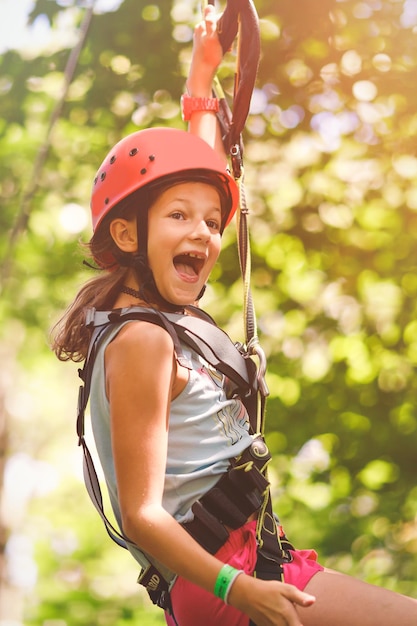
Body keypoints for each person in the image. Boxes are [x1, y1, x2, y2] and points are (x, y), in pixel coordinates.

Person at [53, 6, 417, 626]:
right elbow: (142, 514)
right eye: (179, 218)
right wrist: (238, 589)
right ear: (127, 233)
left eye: (214, 222)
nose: (203, 232)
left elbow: (193, 178)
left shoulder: (155, 318)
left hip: (248, 566)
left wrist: (202, 85)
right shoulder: (140, 339)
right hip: (229, 579)